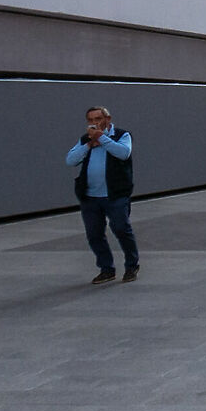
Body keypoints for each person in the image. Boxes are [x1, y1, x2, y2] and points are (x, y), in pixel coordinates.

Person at [67, 107, 138, 283]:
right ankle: (106, 268)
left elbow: (123, 153)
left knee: (121, 228)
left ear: (107, 118)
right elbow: (71, 160)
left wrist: (102, 138)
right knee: (94, 234)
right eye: (90, 120)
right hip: (90, 197)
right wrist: (89, 144)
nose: (94, 123)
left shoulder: (121, 135)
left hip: (115, 194)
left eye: (98, 118)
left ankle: (132, 265)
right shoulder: (86, 140)